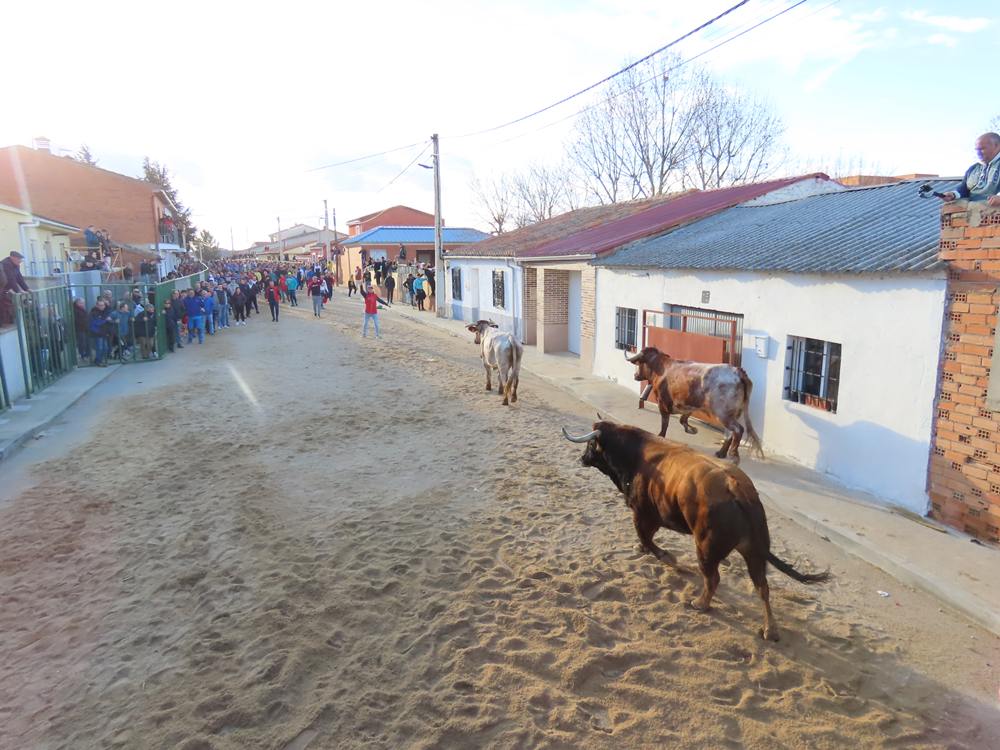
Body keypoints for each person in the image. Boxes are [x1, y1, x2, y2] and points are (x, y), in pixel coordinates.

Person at [941, 132, 1000, 206]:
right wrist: (953, 194)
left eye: (982, 149)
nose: (978, 153)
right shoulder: (973, 169)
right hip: (973, 210)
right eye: (977, 150)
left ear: (997, 146)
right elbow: (964, 189)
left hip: (993, 211)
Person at [1, 251, 31, 326]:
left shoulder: (16, 265)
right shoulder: (6, 264)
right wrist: (18, 290)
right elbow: (11, 279)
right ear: (12, 257)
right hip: (3, 289)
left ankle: (10, 321)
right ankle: (6, 323)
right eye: (19, 259)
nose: (20, 261)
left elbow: (19, 278)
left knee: (11, 306)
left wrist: (27, 288)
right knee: (6, 306)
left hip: (7, 289)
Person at [88, 299, 113, 366]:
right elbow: (96, 322)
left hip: (103, 333)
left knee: (105, 348)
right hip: (97, 333)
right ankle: (98, 361)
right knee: (100, 348)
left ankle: (100, 360)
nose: (102, 307)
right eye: (100, 305)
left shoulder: (104, 312)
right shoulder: (93, 313)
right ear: (96, 305)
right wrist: (105, 320)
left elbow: (109, 311)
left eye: (103, 305)